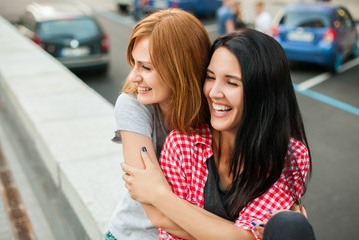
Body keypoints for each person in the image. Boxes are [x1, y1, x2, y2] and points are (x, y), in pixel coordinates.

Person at [122, 29, 314, 240]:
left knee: (292, 227)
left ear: (263, 93)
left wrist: (159, 194)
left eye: (231, 82)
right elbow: (168, 230)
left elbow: (247, 238)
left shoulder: (291, 157)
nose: (213, 92)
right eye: (210, 77)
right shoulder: (182, 145)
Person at [106, 9, 211, 240]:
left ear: (180, 70)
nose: (134, 76)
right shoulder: (132, 105)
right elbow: (157, 214)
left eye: (146, 67)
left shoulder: (214, 108)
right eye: (134, 63)